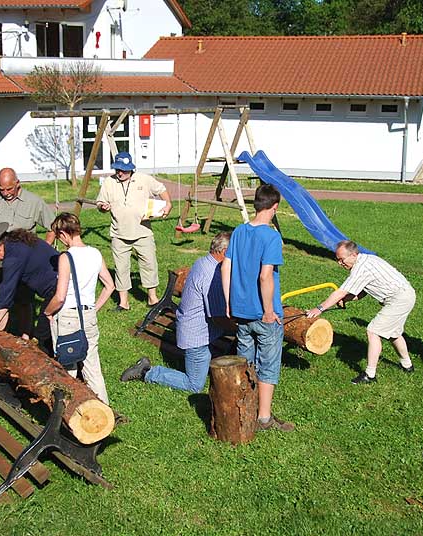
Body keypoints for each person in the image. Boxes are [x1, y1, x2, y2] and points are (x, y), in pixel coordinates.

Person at [120, 232, 232, 392]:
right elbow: (217, 317)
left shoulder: (204, 262)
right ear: (225, 252)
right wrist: (241, 327)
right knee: (194, 385)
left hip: (194, 328)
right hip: (197, 337)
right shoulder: (210, 275)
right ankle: (147, 372)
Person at [222, 184, 293, 432]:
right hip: (263, 314)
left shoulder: (239, 231)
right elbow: (265, 276)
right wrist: (269, 311)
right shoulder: (271, 237)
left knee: (246, 363)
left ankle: (245, 407)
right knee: (268, 365)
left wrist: (229, 302)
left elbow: (226, 267)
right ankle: (263, 418)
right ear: (274, 207)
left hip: (241, 312)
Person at [306, 241, 417, 384]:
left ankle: (370, 375)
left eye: (342, 259)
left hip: (399, 298)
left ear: (353, 255)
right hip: (405, 295)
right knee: (393, 333)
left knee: (373, 331)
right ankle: (407, 366)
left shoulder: (361, 268)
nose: (340, 263)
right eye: (337, 260)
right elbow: (363, 291)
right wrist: (346, 299)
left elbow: (340, 292)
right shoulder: (366, 260)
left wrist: (319, 308)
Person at [0, 167, 55, 336]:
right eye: (2, 189)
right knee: (0, 299)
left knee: (24, 301)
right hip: (1, 256)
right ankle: (1, 336)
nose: (6, 193)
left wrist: (42, 249)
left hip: (24, 260)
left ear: (17, 183)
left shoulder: (34, 201)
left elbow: (53, 226)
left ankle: (25, 336)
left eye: (9, 189)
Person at [43, 213, 115, 404]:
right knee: (92, 367)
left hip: (67, 317)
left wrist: (47, 312)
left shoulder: (66, 257)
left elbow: (60, 296)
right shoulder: (95, 253)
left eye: (58, 236)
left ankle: (65, 409)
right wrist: (93, 308)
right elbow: (110, 286)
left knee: (67, 368)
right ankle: (104, 408)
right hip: (88, 315)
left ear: (63, 234)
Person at [95, 151, 172, 311]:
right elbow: (100, 203)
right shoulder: (109, 182)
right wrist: (103, 207)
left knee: (149, 264)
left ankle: (152, 298)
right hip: (119, 233)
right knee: (121, 268)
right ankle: (123, 302)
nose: (120, 173)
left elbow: (161, 189)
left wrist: (168, 204)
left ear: (131, 168)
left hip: (143, 232)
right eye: (117, 169)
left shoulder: (144, 179)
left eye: (124, 170)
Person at [0, 224, 60, 339]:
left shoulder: (13, 257)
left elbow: (7, 291)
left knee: (43, 335)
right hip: (60, 284)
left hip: (58, 289)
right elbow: (10, 281)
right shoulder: (14, 243)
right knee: (47, 332)